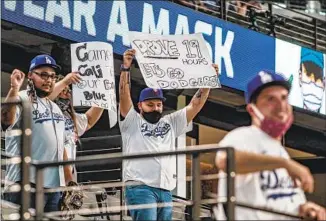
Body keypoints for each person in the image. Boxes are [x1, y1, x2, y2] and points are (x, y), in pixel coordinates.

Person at [119, 49, 219, 221]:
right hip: (140, 187)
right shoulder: (131, 121)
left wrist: (208, 81)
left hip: (165, 190)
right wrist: (125, 68)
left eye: (158, 104)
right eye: (150, 104)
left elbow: (196, 104)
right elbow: (124, 95)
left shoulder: (170, 122)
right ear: (140, 106)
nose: (156, 108)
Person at [215, 70, 326, 220]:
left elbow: (282, 202)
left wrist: (304, 208)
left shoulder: (280, 151)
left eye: (284, 98)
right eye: (270, 99)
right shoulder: (244, 135)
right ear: (252, 109)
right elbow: (225, 160)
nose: (280, 105)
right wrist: (284, 164)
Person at [1, 55, 74, 212]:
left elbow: (61, 149)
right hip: (25, 183)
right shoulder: (20, 97)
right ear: (30, 76)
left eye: (52, 76)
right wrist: (14, 88)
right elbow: (6, 119)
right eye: (43, 75)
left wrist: (69, 181)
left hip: (54, 187)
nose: (49, 80)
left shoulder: (55, 108)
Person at [48, 73, 104, 181]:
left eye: (67, 91)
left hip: (67, 178)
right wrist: (65, 81)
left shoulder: (69, 116)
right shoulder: (43, 113)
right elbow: (44, 98)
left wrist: (103, 98)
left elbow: (88, 121)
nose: (66, 94)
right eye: (62, 91)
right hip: (48, 176)